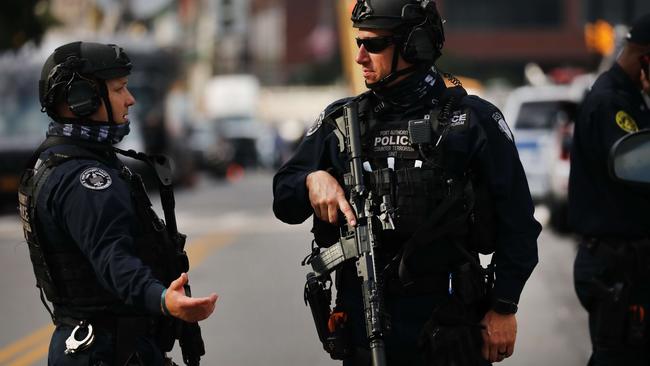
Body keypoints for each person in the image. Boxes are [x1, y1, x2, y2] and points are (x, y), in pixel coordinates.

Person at [273, 1, 540, 365]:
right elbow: (283, 197)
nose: (360, 57)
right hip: (366, 329)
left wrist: (504, 306)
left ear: (415, 46)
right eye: (358, 43)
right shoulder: (342, 122)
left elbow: (520, 224)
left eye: (375, 44)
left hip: (448, 328)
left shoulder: (471, 120)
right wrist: (311, 180)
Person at [17, 41, 217, 365]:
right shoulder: (86, 180)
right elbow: (114, 260)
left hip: (97, 347)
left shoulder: (60, 161)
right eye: (119, 89)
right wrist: (164, 300)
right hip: (110, 352)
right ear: (82, 100)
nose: (130, 99)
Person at [569, 14, 650, 366]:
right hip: (615, 265)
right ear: (646, 59)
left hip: (627, 261)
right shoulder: (612, 102)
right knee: (619, 357)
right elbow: (637, 169)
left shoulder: (630, 96)